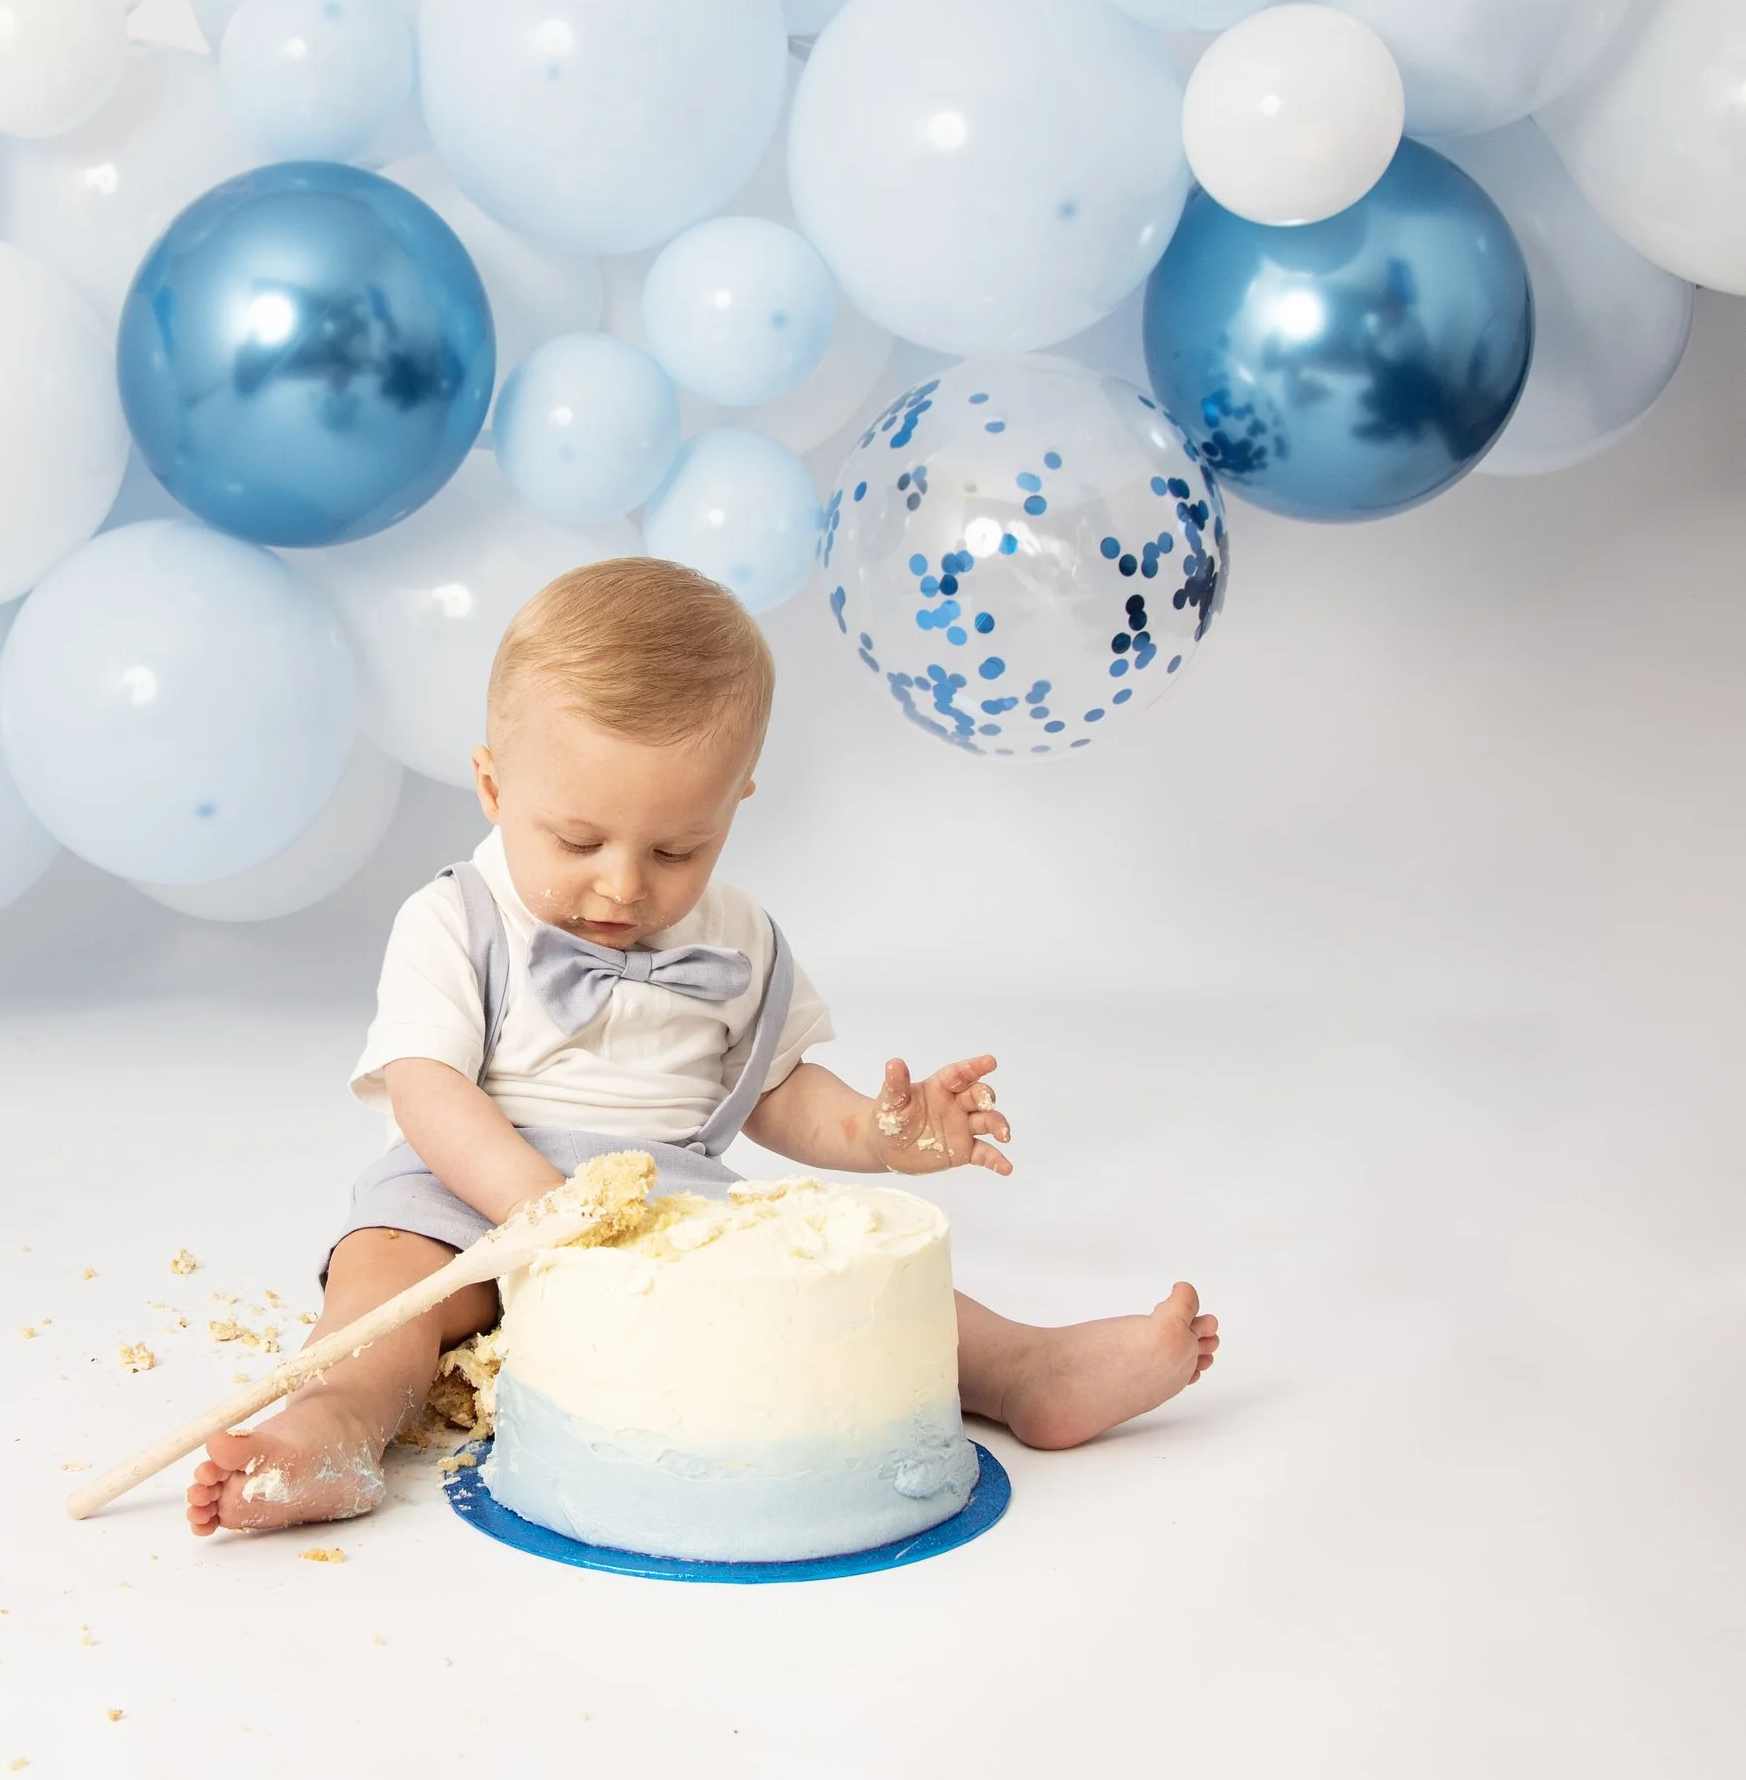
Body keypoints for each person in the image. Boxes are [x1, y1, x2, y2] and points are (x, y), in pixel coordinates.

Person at [186, 557, 1220, 1535]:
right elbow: (425, 1085)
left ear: (734, 808)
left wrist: (878, 1131)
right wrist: (534, 1204)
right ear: (495, 789)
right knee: (381, 1297)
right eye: (578, 841)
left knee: (846, 1293)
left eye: (677, 847)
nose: (625, 886)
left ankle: (1020, 1369)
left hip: (669, 1205)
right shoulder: (454, 917)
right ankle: (333, 1432)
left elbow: (775, 1094)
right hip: (462, 1190)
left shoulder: (738, 936)